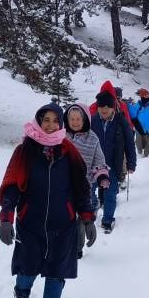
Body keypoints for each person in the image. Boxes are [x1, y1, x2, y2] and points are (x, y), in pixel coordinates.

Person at [0, 103, 96, 298]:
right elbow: (12, 186)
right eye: (46, 120)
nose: (50, 125)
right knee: (27, 266)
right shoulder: (24, 151)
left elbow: (81, 188)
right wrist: (6, 219)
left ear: (61, 124)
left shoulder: (69, 151)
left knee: (56, 272)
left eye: (55, 121)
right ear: (39, 122)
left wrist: (87, 219)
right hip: (30, 223)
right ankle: (21, 295)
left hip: (63, 225)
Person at [64, 102, 110, 257]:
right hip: (63, 184)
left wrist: (102, 175)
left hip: (85, 185)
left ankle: (77, 247)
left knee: (81, 217)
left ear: (84, 120)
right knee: (65, 215)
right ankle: (63, 243)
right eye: (72, 119)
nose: (75, 122)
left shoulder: (92, 138)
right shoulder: (62, 135)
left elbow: (99, 159)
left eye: (78, 119)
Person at [90, 90, 137, 233]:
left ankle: (107, 219)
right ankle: (92, 210)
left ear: (112, 107)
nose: (104, 109)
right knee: (90, 191)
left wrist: (131, 163)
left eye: (107, 106)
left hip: (112, 165)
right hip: (93, 165)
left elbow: (129, 143)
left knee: (110, 194)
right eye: (101, 106)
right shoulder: (92, 120)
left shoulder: (121, 121)